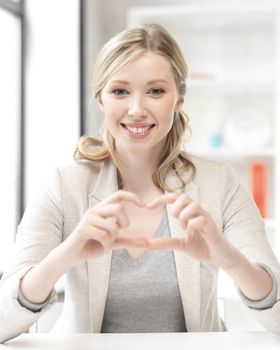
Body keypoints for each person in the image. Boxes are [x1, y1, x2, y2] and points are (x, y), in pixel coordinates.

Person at [1, 23, 280, 343]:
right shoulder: (64, 186)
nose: (137, 109)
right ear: (101, 99)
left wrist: (229, 258)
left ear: (179, 100)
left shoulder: (219, 184)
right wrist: (66, 254)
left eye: (155, 91)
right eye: (120, 91)